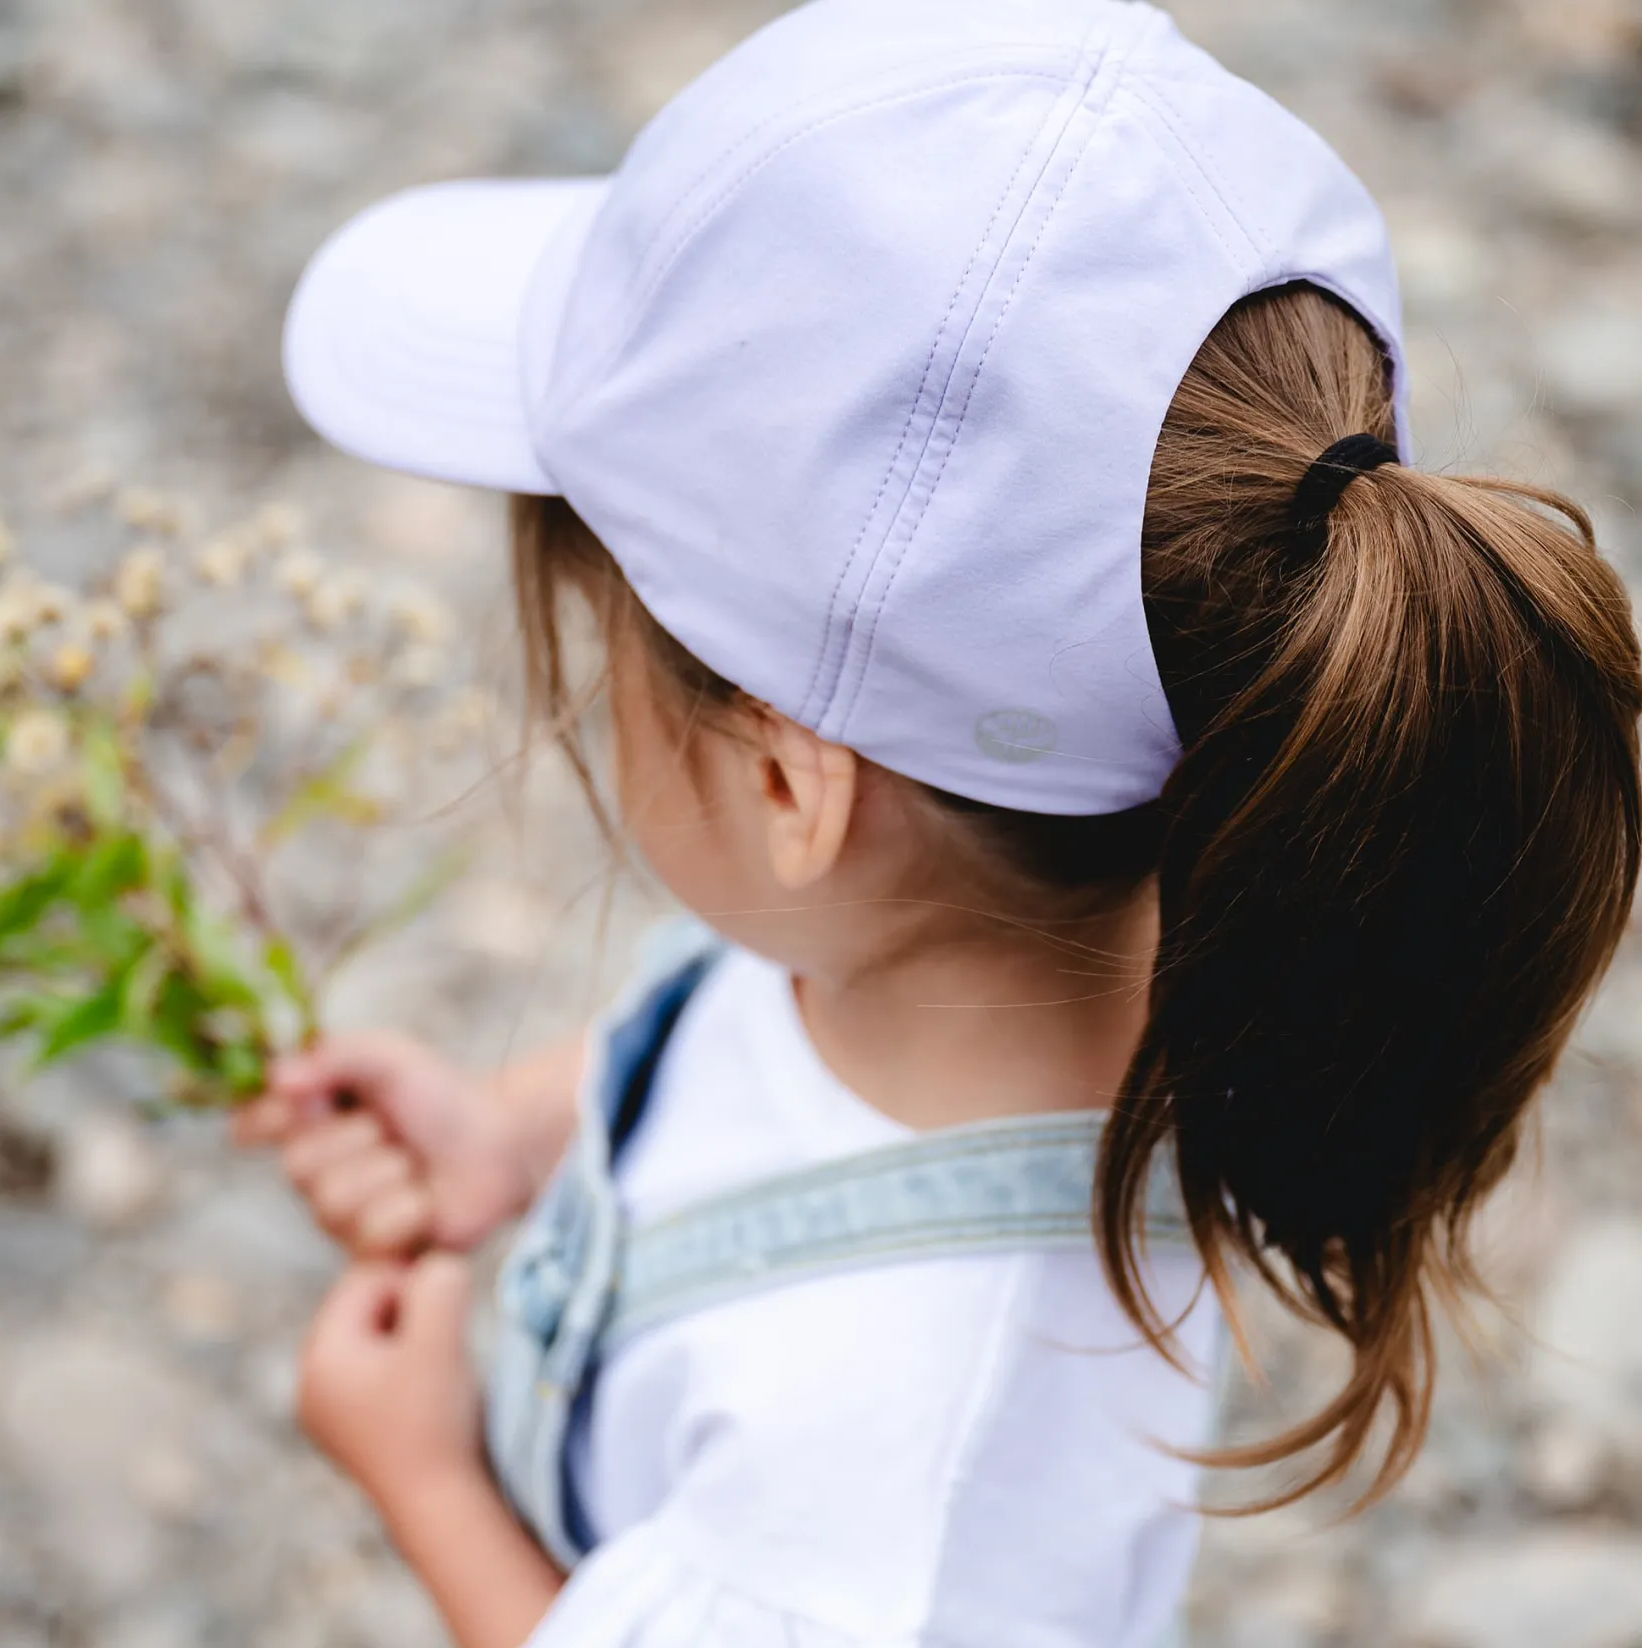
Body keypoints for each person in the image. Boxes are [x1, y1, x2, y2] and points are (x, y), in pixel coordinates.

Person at [236, 2, 1642, 1645]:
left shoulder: (902, 1479)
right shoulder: (1035, 936)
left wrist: (426, 1484)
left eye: (606, 650)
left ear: (789, 786)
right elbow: (761, 1053)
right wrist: (517, 1132)